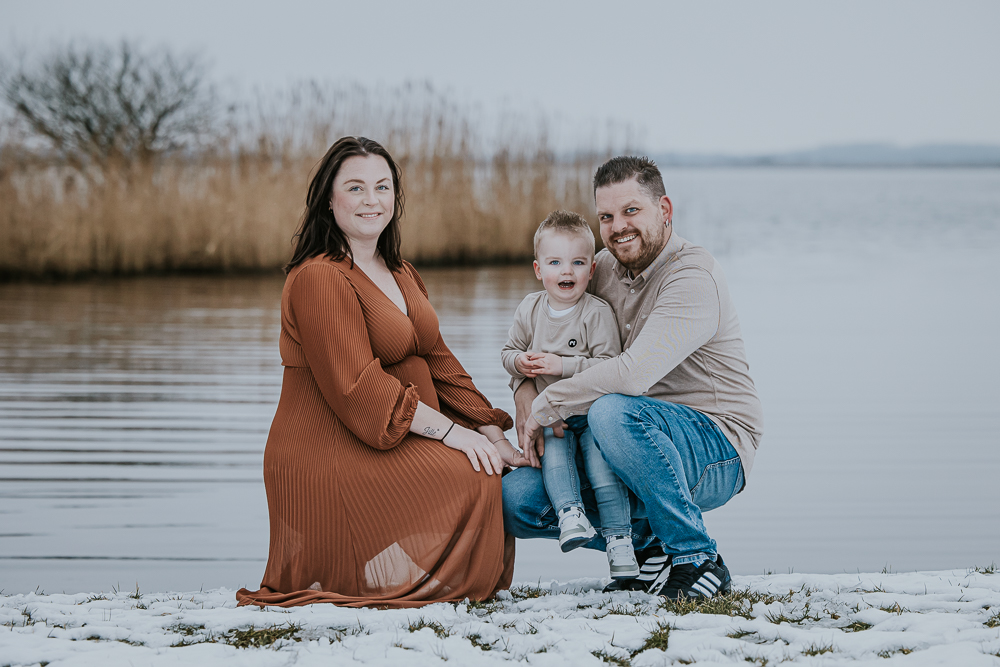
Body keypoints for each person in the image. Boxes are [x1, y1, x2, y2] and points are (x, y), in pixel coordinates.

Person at [237, 136, 526, 609]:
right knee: (470, 476)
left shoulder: (401, 271)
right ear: (328, 201)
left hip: (390, 431)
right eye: (355, 188)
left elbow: (440, 361)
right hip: (327, 448)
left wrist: (491, 432)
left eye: (382, 187)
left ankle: (410, 580)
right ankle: (408, 584)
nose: (372, 200)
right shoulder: (319, 278)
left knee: (486, 464)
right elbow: (358, 389)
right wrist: (455, 435)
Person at [503, 156, 764, 601]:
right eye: (606, 216)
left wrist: (552, 402)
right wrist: (525, 389)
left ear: (664, 209)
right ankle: (647, 547)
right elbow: (538, 338)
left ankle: (696, 555)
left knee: (611, 411)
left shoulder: (691, 275)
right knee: (517, 498)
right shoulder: (599, 269)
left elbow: (634, 373)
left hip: (715, 444)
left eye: (631, 211)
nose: (618, 226)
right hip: (621, 442)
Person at [500, 210, 638, 580]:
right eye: (556, 262)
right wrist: (521, 364)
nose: (567, 272)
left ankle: (620, 539)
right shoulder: (530, 309)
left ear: (591, 270)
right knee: (555, 462)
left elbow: (609, 365)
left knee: (601, 471)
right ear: (538, 268)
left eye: (577, 263)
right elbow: (507, 353)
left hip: (591, 415)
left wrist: (561, 366)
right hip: (552, 419)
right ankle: (569, 514)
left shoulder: (597, 313)